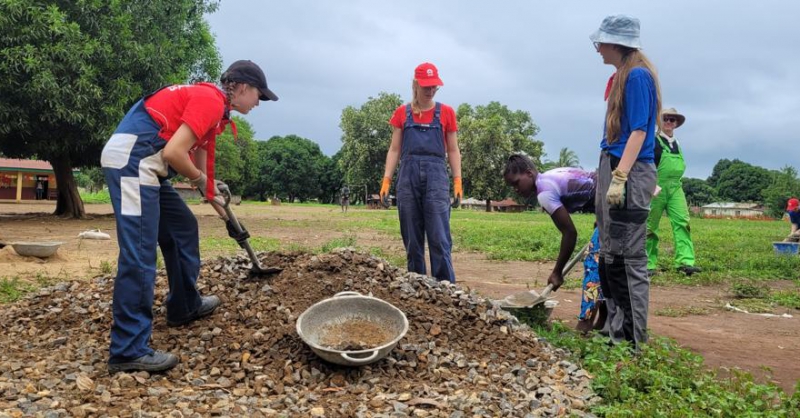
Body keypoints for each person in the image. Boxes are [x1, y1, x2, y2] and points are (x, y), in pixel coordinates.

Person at [100, 60, 278, 373]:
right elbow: (173, 154)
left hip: (148, 166)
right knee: (140, 252)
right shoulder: (209, 100)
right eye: (259, 97)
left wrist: (227, 217)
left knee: (183, 227)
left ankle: (184, 305)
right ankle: (128, 348)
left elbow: (203, 175)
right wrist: (198, 180)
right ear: (244, 88)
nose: (259, 104)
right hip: (133, 161)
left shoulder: (216, 113)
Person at [591, 15, 661, 349]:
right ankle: (614, 329)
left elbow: (639, 131)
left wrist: (620, 177)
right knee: (609, 256)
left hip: (628, 169)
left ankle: (632, 340)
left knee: (625, 257)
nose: (598, 49)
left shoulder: (637, 76)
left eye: (601, 42)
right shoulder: (621, 76)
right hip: (614, 163)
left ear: (617, 43)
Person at [503, 154, 605, 333]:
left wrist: (557, 272)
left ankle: (586, 323)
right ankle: (603, 322)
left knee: (594, 263)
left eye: (517, 183)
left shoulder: (544, 192)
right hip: (608, 197)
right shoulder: (549, 177)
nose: (516, 190)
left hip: (609, 200)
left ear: (529, 174)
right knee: (605, 264)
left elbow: (570, 233)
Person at [380, 62, 462, 283]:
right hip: (408, 177)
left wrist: (457, 181)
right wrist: (386, 180)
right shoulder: (402, 113)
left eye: (434, 85)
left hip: (437, 178)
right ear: (415, 85)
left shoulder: (446, 113)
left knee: (439, 238)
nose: (431, 90)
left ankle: (446, 289)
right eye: (426, 86)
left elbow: (453, 150)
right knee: (412, 240)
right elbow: (395, 149)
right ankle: (417, 289)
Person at [645, 108, 700, 277]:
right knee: (649, 226)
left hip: (676, 187)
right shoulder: (653, 141)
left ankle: (685, 262)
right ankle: (647, 263)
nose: (669, 122)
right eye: (665, 119)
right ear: (659, 121)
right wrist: (650, 185)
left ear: (676, 123)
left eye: (672, 120)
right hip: (656, 187)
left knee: (682, 222)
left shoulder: (677, 143)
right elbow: (646, 165)